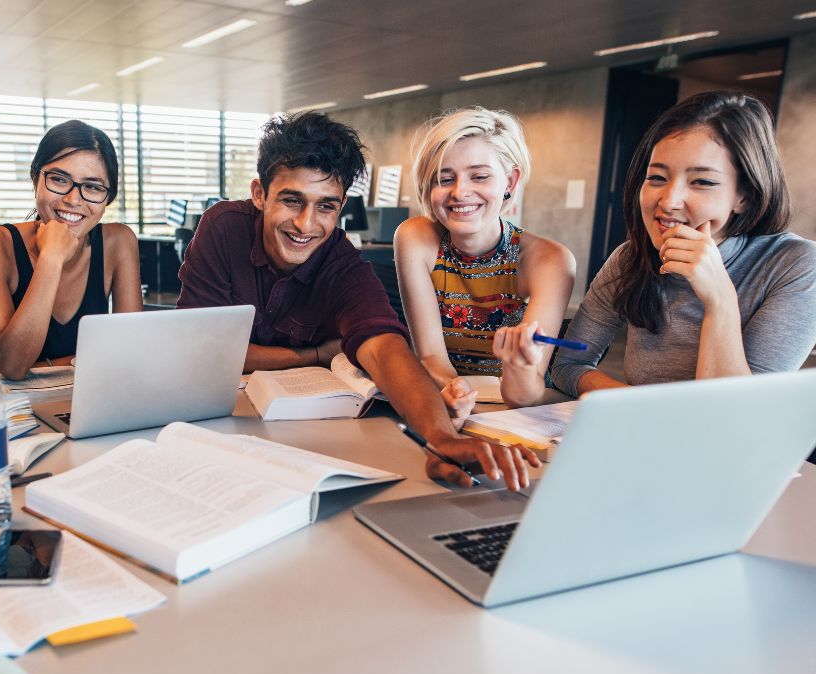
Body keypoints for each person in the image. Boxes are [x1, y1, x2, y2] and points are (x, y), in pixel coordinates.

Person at [177, 112, 537, 491]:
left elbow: (384, 348)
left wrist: (441, 438)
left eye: (326, 206)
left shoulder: (341, 262)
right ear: (260, 194)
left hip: (301, 435)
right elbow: (202, 348)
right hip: (215, 426)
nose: (305, 224)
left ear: (342, 205)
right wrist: (313, 355)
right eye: (292, 200)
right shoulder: (223, 227)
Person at [551, 91, 816, 396]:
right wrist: (635, 409)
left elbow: (736, 413)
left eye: (702, 182)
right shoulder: (630, 257)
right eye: (657, 178)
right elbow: (569, 364)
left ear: (744, 195)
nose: (669, 201)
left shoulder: (797, 264)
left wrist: (719, 300)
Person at [395, 107, 575, 411]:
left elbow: (525, 395)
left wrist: (518, 366)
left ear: (510, 182)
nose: (460, 191)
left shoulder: (549, 260)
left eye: (479, 176)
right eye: (444, 178)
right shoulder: (415, 238)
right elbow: (430, 358)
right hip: (449, 402)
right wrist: (456, 391)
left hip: (518, 413)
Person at [0, 121, 141, 379]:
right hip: (17, 408)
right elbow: (12, 366)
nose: (73, 200)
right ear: (35, 180)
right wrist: (51, 258)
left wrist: (46, 366)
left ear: (108, 198)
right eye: (59, 179)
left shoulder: (118, 242)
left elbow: (130, 354)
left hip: (92, 398)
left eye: (93, 187)